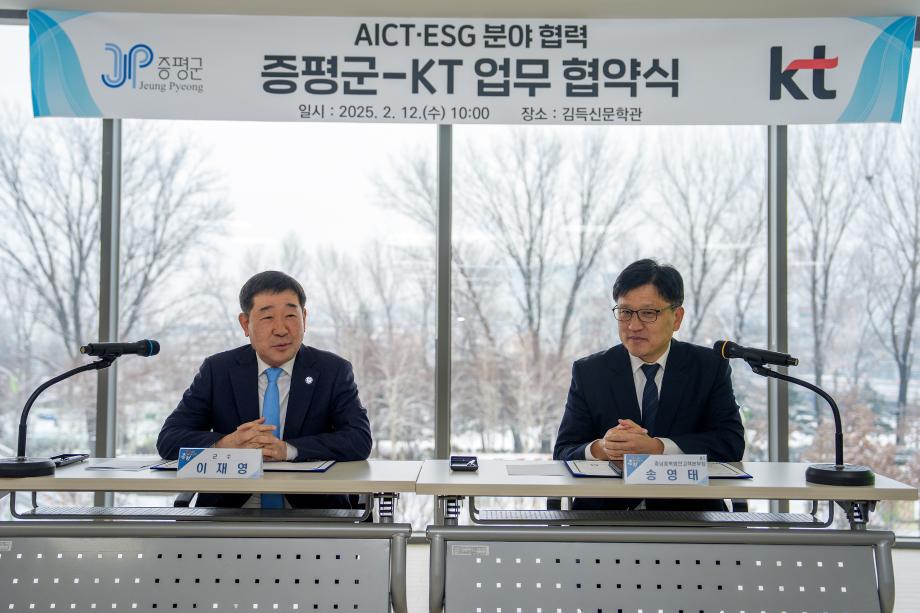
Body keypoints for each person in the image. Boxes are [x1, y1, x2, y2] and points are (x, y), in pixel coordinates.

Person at [156, 270, 372, 509]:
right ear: (245, 324)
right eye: (267, 317)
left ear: (304, 318)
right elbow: (169, 439)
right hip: (227, 514)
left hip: (312, 514)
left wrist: (288, 450)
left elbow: (358, 439)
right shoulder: (218, 371)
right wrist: (226, 444)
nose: (281, 329)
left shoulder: (332, 370)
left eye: (290, 315)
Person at [553, 259, 744, 510]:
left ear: (677, 318)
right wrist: (603, 448)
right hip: (604, 519)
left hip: (689, 517)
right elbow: (563, 451)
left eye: (648, 313)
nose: (633, 326)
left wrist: (658, 448)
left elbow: (730, 443)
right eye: (625, 312)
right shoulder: (590, 372)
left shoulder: (708, 367)